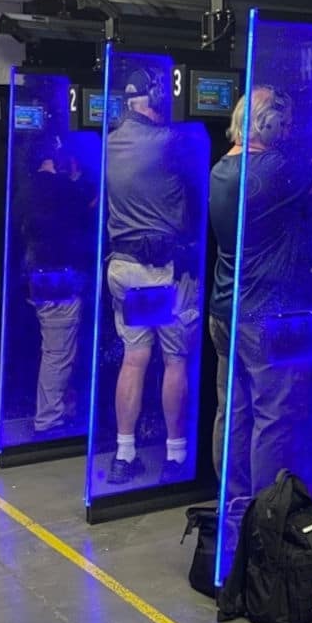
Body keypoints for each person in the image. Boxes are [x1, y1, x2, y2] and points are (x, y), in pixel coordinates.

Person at [208, 86, 312, 509]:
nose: (288, 131)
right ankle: (266, 517)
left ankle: (235, 511)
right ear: (265, 123)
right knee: (273, 416)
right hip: (266, 315)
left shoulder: (222, 167)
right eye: (282, 123)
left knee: (234, 412)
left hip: (228, 309)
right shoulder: (269, 168)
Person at [104, 68, 201, 485]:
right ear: (155, 99)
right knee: (175, 360)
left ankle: (125, 454)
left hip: (123, 268)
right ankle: (176, 457)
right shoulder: (170, 142)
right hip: (164, 271)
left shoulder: (110, 141)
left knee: (134, 357)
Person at [17, 141, 93, 436]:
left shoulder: (25, 189)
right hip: (60, 280)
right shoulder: (64, 188)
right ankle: (48, 419)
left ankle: (62, 409)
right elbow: (92, 205)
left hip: (36, 279)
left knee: (55, 349)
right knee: (58, 353)